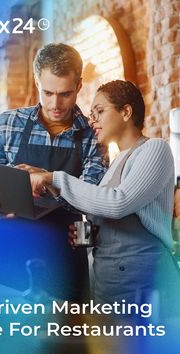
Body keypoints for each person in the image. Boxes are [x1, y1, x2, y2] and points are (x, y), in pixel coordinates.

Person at [30, 80, 180, 316]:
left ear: (126, 112)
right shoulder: (117, 161)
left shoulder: (156, 149)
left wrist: (55, 178)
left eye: (99, 111)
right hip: (108, 287)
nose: (92, 121)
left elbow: (118, 203)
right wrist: (91, 234)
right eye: (91, 114)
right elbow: (109, 212)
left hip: (144, 286)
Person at [0, 43, 107, 301]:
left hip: (65, 252)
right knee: (11, 337)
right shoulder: (5, 126)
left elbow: (97, 203)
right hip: (11, 250)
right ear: (36, 82)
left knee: (69, 339)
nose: (55, 104)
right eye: (48, 92)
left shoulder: (94, 136)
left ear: (79, 86)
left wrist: (84, 237)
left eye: (66, 94)